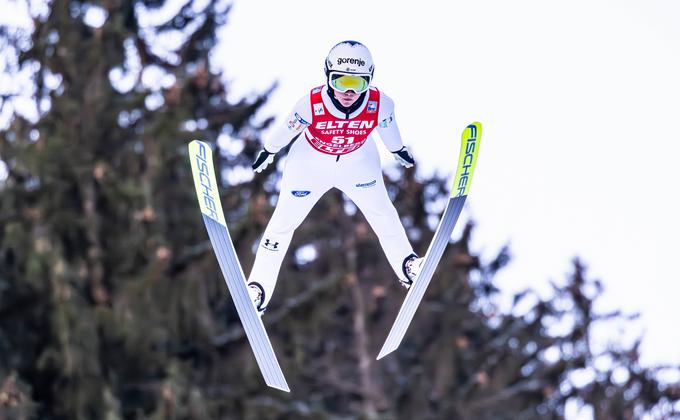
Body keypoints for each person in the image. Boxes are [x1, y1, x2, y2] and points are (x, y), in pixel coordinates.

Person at [247, 40, 423, 315]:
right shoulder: (311, 104)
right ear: (328, 78)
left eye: (358, 83)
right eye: (341, 82)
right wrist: (269, 150)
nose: (349, 92)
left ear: (370, 81)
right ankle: (258, 289)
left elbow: (389, 130)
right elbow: (286, 129)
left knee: (383, 213)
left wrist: (398, 150)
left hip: (358, 163)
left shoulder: (381, 104)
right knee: (282, 223)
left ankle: (408, 265)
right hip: (310, 164)